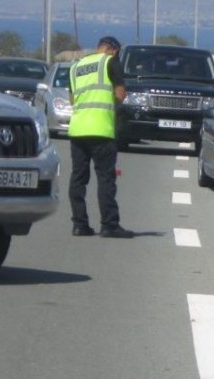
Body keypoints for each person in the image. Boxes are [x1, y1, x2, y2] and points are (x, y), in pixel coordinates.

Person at [67, 36, 133, 238]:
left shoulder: (75, 67)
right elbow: (121, 94)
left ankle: (79, 224)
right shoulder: (110, 62)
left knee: (78, 178)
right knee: (105, 178)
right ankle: (109, 225)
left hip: (78, 129)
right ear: (113, 49)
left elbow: (72, 99)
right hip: (102, 129)